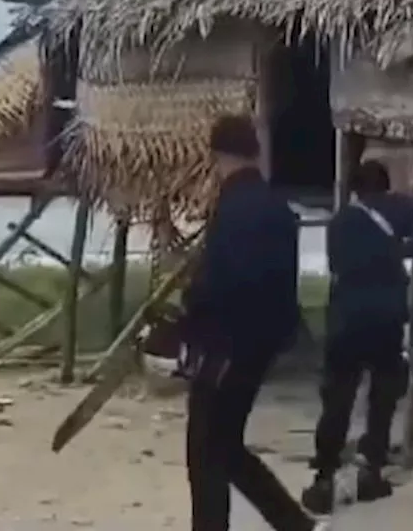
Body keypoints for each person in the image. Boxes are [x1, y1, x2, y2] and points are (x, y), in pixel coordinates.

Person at [180, 115, 322, 531]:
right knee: (225, 446)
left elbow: (224, 281)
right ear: (255, 152)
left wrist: (190, 310)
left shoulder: (234, 207)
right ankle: (294, 523)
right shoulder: (278, 206)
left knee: (205, 450)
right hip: (262, 344)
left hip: (225, 346)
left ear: (217, 155)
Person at [301, 159, 413, 514]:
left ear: (354, 190)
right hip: (386, 315)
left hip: (347, 316)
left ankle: (324, 474)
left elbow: (336, 266)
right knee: (383, 394)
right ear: (386, 187)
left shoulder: (339, 222)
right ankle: (371, 470)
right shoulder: (403, 209)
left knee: (338, 396)